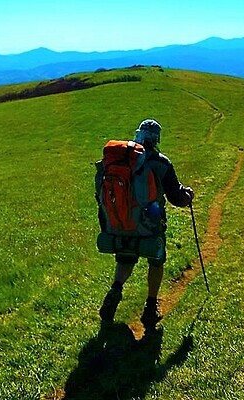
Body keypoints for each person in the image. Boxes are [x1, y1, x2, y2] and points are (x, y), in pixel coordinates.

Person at [98, 119, 194, 329]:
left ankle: (115, 289)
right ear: (156, 139)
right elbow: (177, 198)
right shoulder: (161, 163)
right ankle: (150, 307)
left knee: (125, 259)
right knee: (156, 261)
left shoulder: (121, 160)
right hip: (150, 227)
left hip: (121, 224)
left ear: (139, 135)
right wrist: (188, 196)